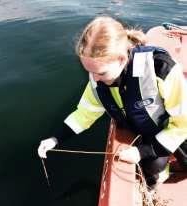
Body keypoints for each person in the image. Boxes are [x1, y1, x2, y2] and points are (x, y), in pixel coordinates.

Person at [38, 16, 187, 191]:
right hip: (145, 131)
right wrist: (56, 138)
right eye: (89, 71)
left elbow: (182, 124)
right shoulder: (97, 79)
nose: (94, 78)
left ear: (121, 60)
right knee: (152, 169)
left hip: (175, 128)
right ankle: (160, 173)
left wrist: (142, 152)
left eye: (100, 72)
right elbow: (85, 113)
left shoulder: (161, 69)